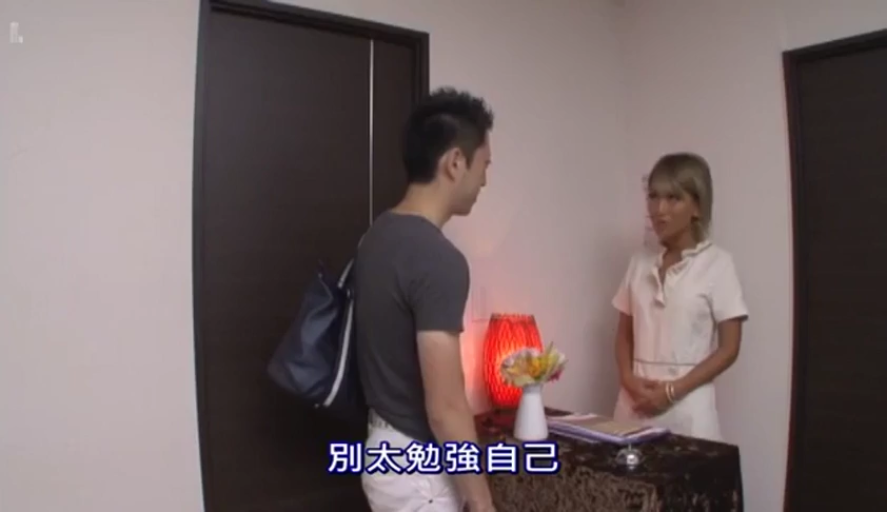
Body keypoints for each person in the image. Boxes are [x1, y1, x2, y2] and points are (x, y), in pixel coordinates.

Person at [354, 87, 496, 512]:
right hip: (418, 468)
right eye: (484, 165)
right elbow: (445, 408)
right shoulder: (438, 259)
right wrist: (481, 501)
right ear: (455, 162)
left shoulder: (375, 236)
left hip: (382, 450)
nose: (485, 180)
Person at [611, 152, 749, 441]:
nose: (659, 209)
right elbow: (623, 335)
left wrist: (673, 391)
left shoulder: (718, 264)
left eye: (673, 198)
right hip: (634, 403)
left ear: (697, 206)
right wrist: (628, 379)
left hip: (689, 409)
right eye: (653, 196)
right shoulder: (639, 262)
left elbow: (729, 348)